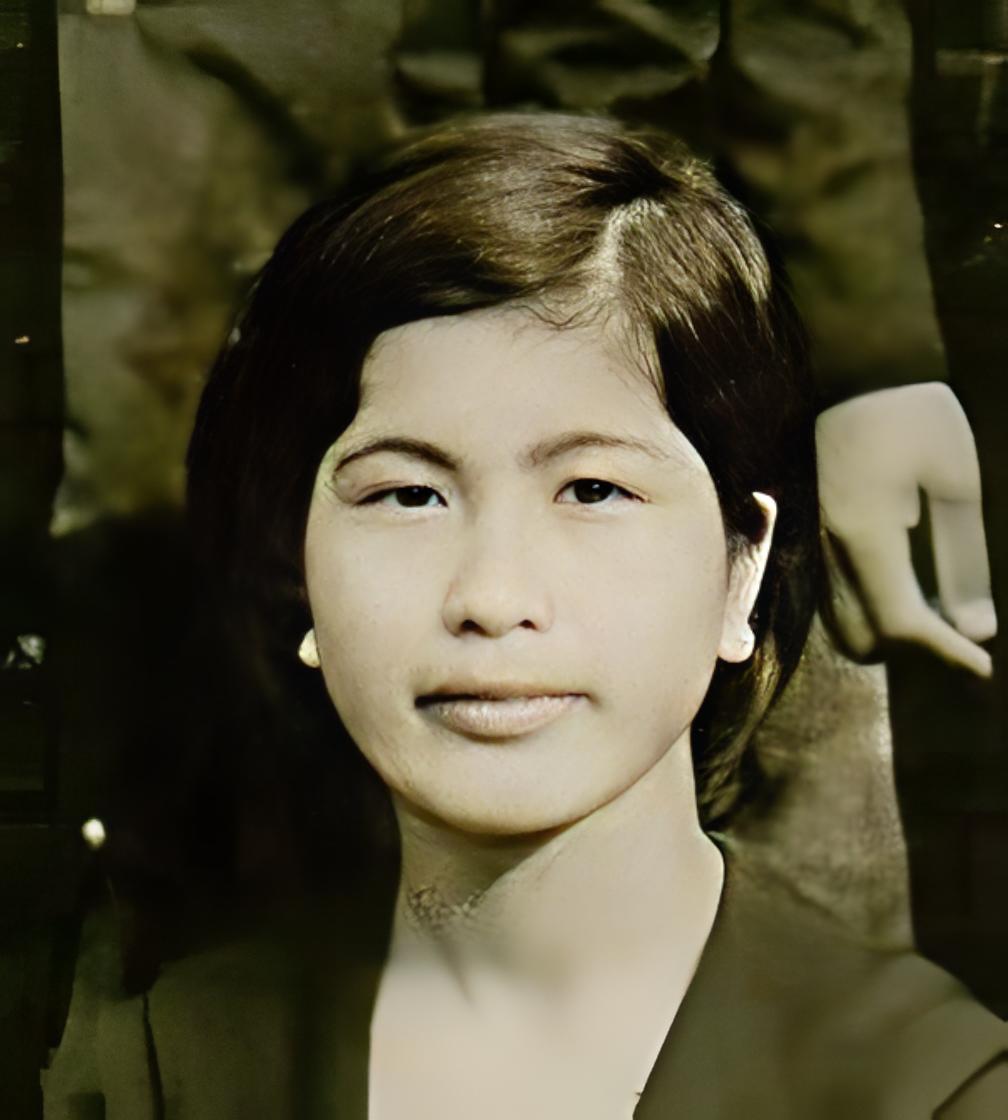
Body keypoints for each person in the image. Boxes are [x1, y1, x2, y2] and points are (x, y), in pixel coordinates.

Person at [42, 112, 1005, 1119]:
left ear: (743, 568)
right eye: (408, 495)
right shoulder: (158, 1073)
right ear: (301, 572)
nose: (493, 598)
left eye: (593, 490)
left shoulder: (927, 1092)